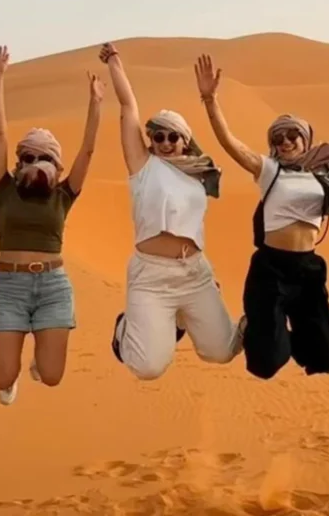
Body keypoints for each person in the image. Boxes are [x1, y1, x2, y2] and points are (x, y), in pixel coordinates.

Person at [194, 54, 329, 380]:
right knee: (265, 364)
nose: (285, 142)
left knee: (325, 357)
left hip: (308, 269)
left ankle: (271, 333)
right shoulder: (269, 170)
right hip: (271, 268)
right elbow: (230, 143)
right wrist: (210, 101)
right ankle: (257, 329)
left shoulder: (323, 174)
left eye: (292, 136)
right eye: (277, 138)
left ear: (305, 139)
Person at [100, 43, 245, 380]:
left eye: (173, 137)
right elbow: (128, 107)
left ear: (185, 141)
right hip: (152, 276)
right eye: (159, 136)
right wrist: (114, 62)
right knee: (148, 367)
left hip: (195, 272)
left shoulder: (199, 174)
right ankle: (124, 329)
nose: (165, 143)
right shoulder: (142, 165)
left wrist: (210, 99)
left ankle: (221, 318)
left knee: (222, 351)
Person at [0, 45, 103, 405]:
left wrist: (96, 103)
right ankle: (12, 374)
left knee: (51, 376)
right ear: (18, 161)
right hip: (8, 287)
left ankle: (39, 361)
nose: (35, 162)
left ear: (57, 165)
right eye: (28, 156)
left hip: (52, 286)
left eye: (44, 157)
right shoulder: (3, 188)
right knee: (3, 378)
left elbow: (87, 150)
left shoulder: (64, 193)